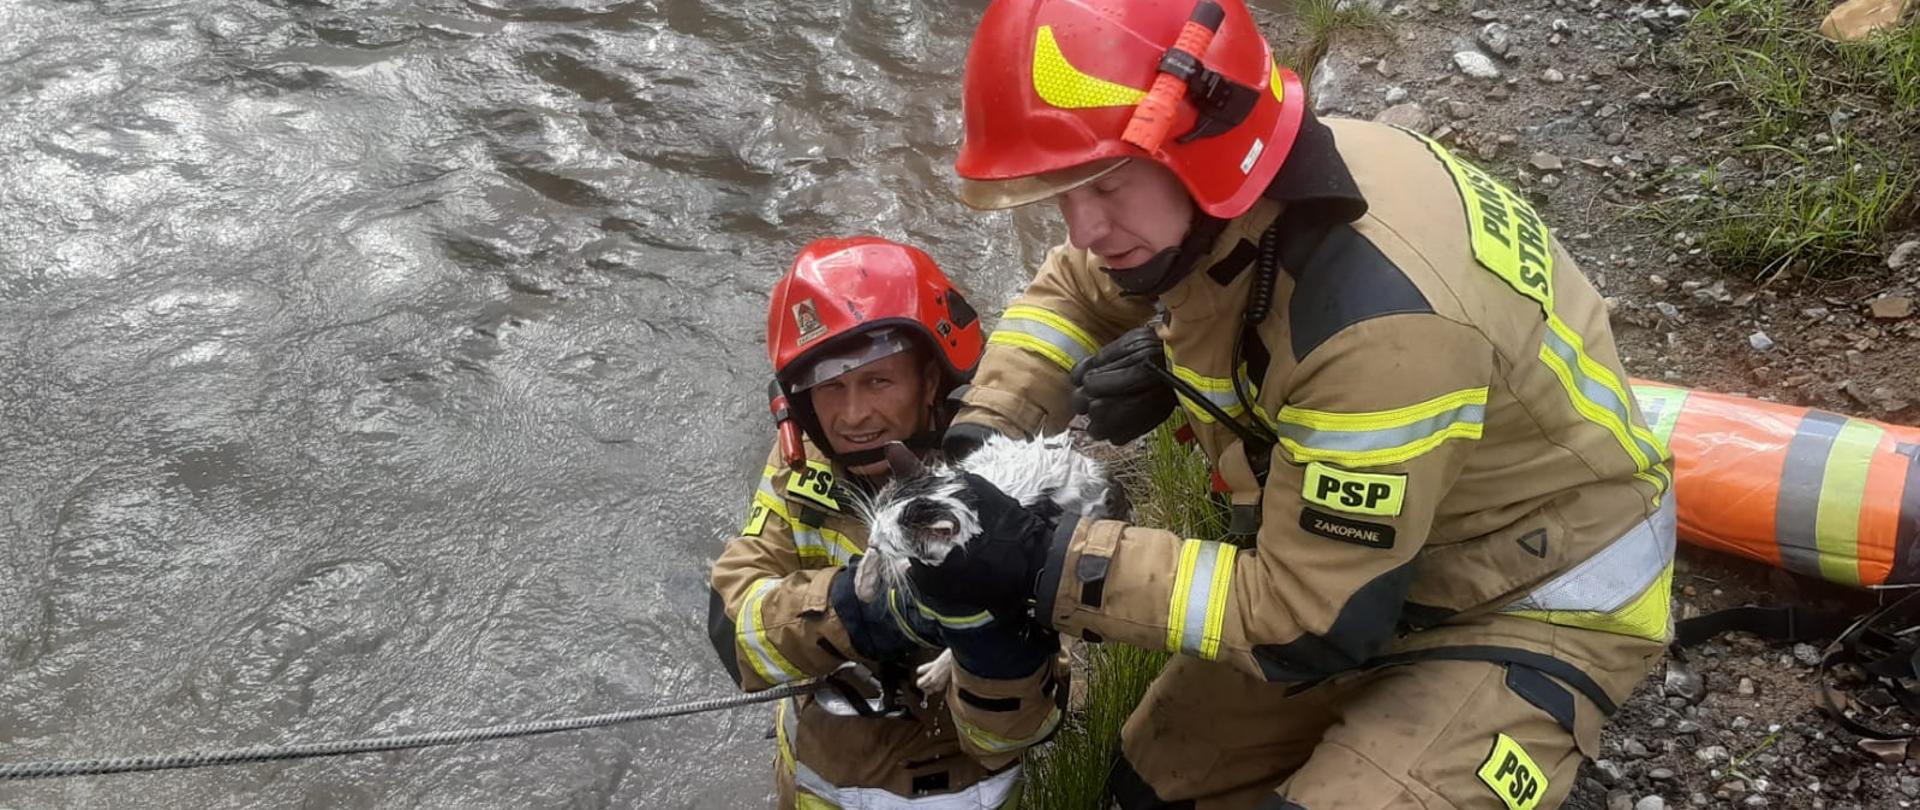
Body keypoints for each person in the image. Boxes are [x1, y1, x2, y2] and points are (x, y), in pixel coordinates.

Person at [897, 1, 1679, 808]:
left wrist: (1049, 559)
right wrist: (984, 445)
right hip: (1369, 557)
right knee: (1149, 787)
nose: (1085, 228)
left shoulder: (1378, 326)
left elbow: (1311, 620)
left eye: (1105, 185)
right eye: (1061, 194)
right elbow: (1069, 294)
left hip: (1527, 597)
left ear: (1201, 140)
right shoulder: (1236, 190)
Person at [706, 236, 1064, 809]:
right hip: (818, 777)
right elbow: (736, 631)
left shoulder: (1000, 481)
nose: (852, 417)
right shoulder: (802, 465)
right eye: (830, 388)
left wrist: (974, 623)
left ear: (931, 382)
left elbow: (1013, 732)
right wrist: (857, 610)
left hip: (962, 790)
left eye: (878, 381)